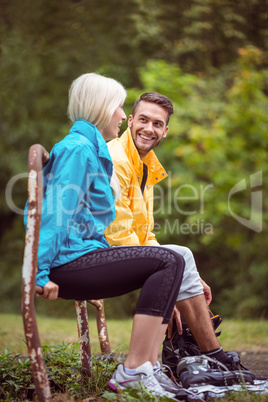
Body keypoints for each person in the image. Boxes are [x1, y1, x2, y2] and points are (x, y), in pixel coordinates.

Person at [24, 73, 201, 400]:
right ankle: (133, 371)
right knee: (168, 260)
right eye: (119, 107)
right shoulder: (77, 149)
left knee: (171, 261)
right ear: (101, 108)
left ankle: (146, 369)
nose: (123, 115)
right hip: (69, 265)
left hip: (81, 257)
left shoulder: (88, 149)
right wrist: (38, 271)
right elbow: (52, 215)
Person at [104, 92, 253, 385]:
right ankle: (213, 355)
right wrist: (165, 281)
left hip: (117, 250)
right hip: (98, 255)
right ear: (130, 121)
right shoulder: (118, 161)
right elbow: (118, 234)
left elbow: (145, 235)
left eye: (157, 124)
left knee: (181, 258)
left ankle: (202, 353)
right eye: (143, 120)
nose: (149, 128)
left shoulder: (144, 165)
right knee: (180, 256)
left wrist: (178, 278)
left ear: (165, 131)